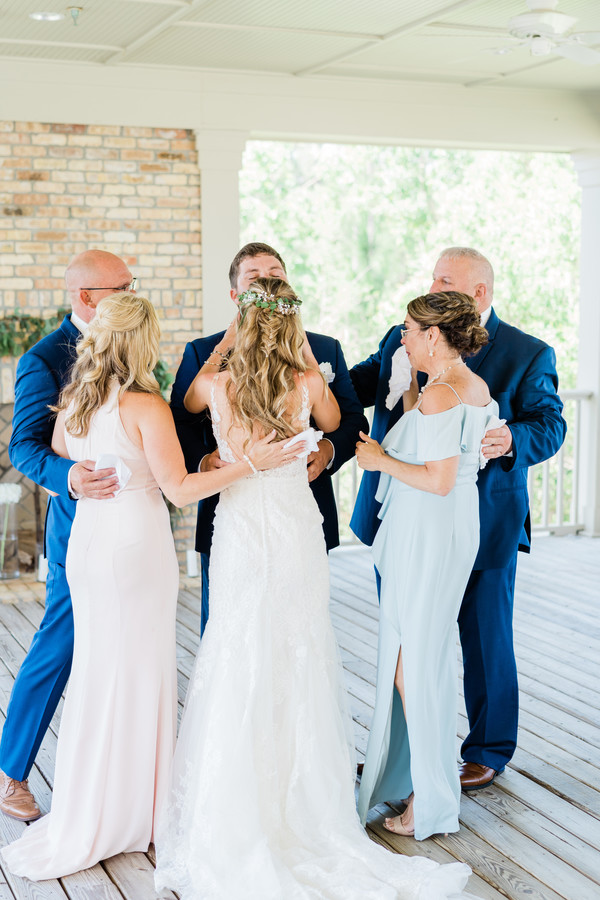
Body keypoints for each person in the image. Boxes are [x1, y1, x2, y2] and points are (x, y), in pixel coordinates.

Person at [154, 278, 475, 900]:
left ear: (244, 322)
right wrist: (300, 351)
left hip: (242, 523)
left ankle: (235, 805)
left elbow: (189, 406)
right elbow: (331, 421)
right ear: (291, 326)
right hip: (294, 524)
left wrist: (233, 340)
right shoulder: (304, 382)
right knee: (300, 647)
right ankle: (306, 807)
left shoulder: (218, 383)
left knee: (239, 642)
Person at [1, 293, 298, 881]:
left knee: (97, 675)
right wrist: (252, 464)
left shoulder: (77, 401)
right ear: (143, 342)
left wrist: (91, 473)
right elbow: (181, 490)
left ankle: (95, 810)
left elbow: (62, 455)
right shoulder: (143, 404)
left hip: (89, 543)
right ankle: (141, 814)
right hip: (135, 548)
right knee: (140, 674)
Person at [351, 247, 566, 793]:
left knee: (485, 638)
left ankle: (487, 750)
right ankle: (405, 755)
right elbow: (359, 385)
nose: (433, 283)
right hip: (407, 517)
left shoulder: (528, 352)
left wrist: (513, 437)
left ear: (480, 294)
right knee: (408, 639)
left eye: (446, 279)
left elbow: (550, 424)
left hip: (483, 516)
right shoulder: (404, 335)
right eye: (433, 275)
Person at [355, 291, 497, 840]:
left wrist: (377, 460)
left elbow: (437, 478)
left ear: (434, 336)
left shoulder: (443, 395)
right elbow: (447, 454)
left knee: (412, 663)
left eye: (410, 331)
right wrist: (411, 389)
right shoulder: (467, 386)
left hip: (429, 532)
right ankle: (423, 787)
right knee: (423, 658)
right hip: (450, 528)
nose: (403, 338)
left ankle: (431, 799)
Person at [171, 241, 367, 635]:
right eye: (255, 278)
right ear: (234, 295)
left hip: (299, 502)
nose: (265, 285)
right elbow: (178, 418)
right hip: (231, 502)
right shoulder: (204, 351)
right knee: (230, 621)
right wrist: (203, 462)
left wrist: (327, 452)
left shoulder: (326, 348)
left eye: (274, 277)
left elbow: (349, 420)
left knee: (296, 621)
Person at [0, 250, 133, 822]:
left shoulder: (130, 342)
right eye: (122, 287)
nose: (133, 294)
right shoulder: (44, 358)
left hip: (134, 521)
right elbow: (22, 445)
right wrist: (71, 476)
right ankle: (11, 772)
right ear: (86, 297)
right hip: (80, 524)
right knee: (60, 643)